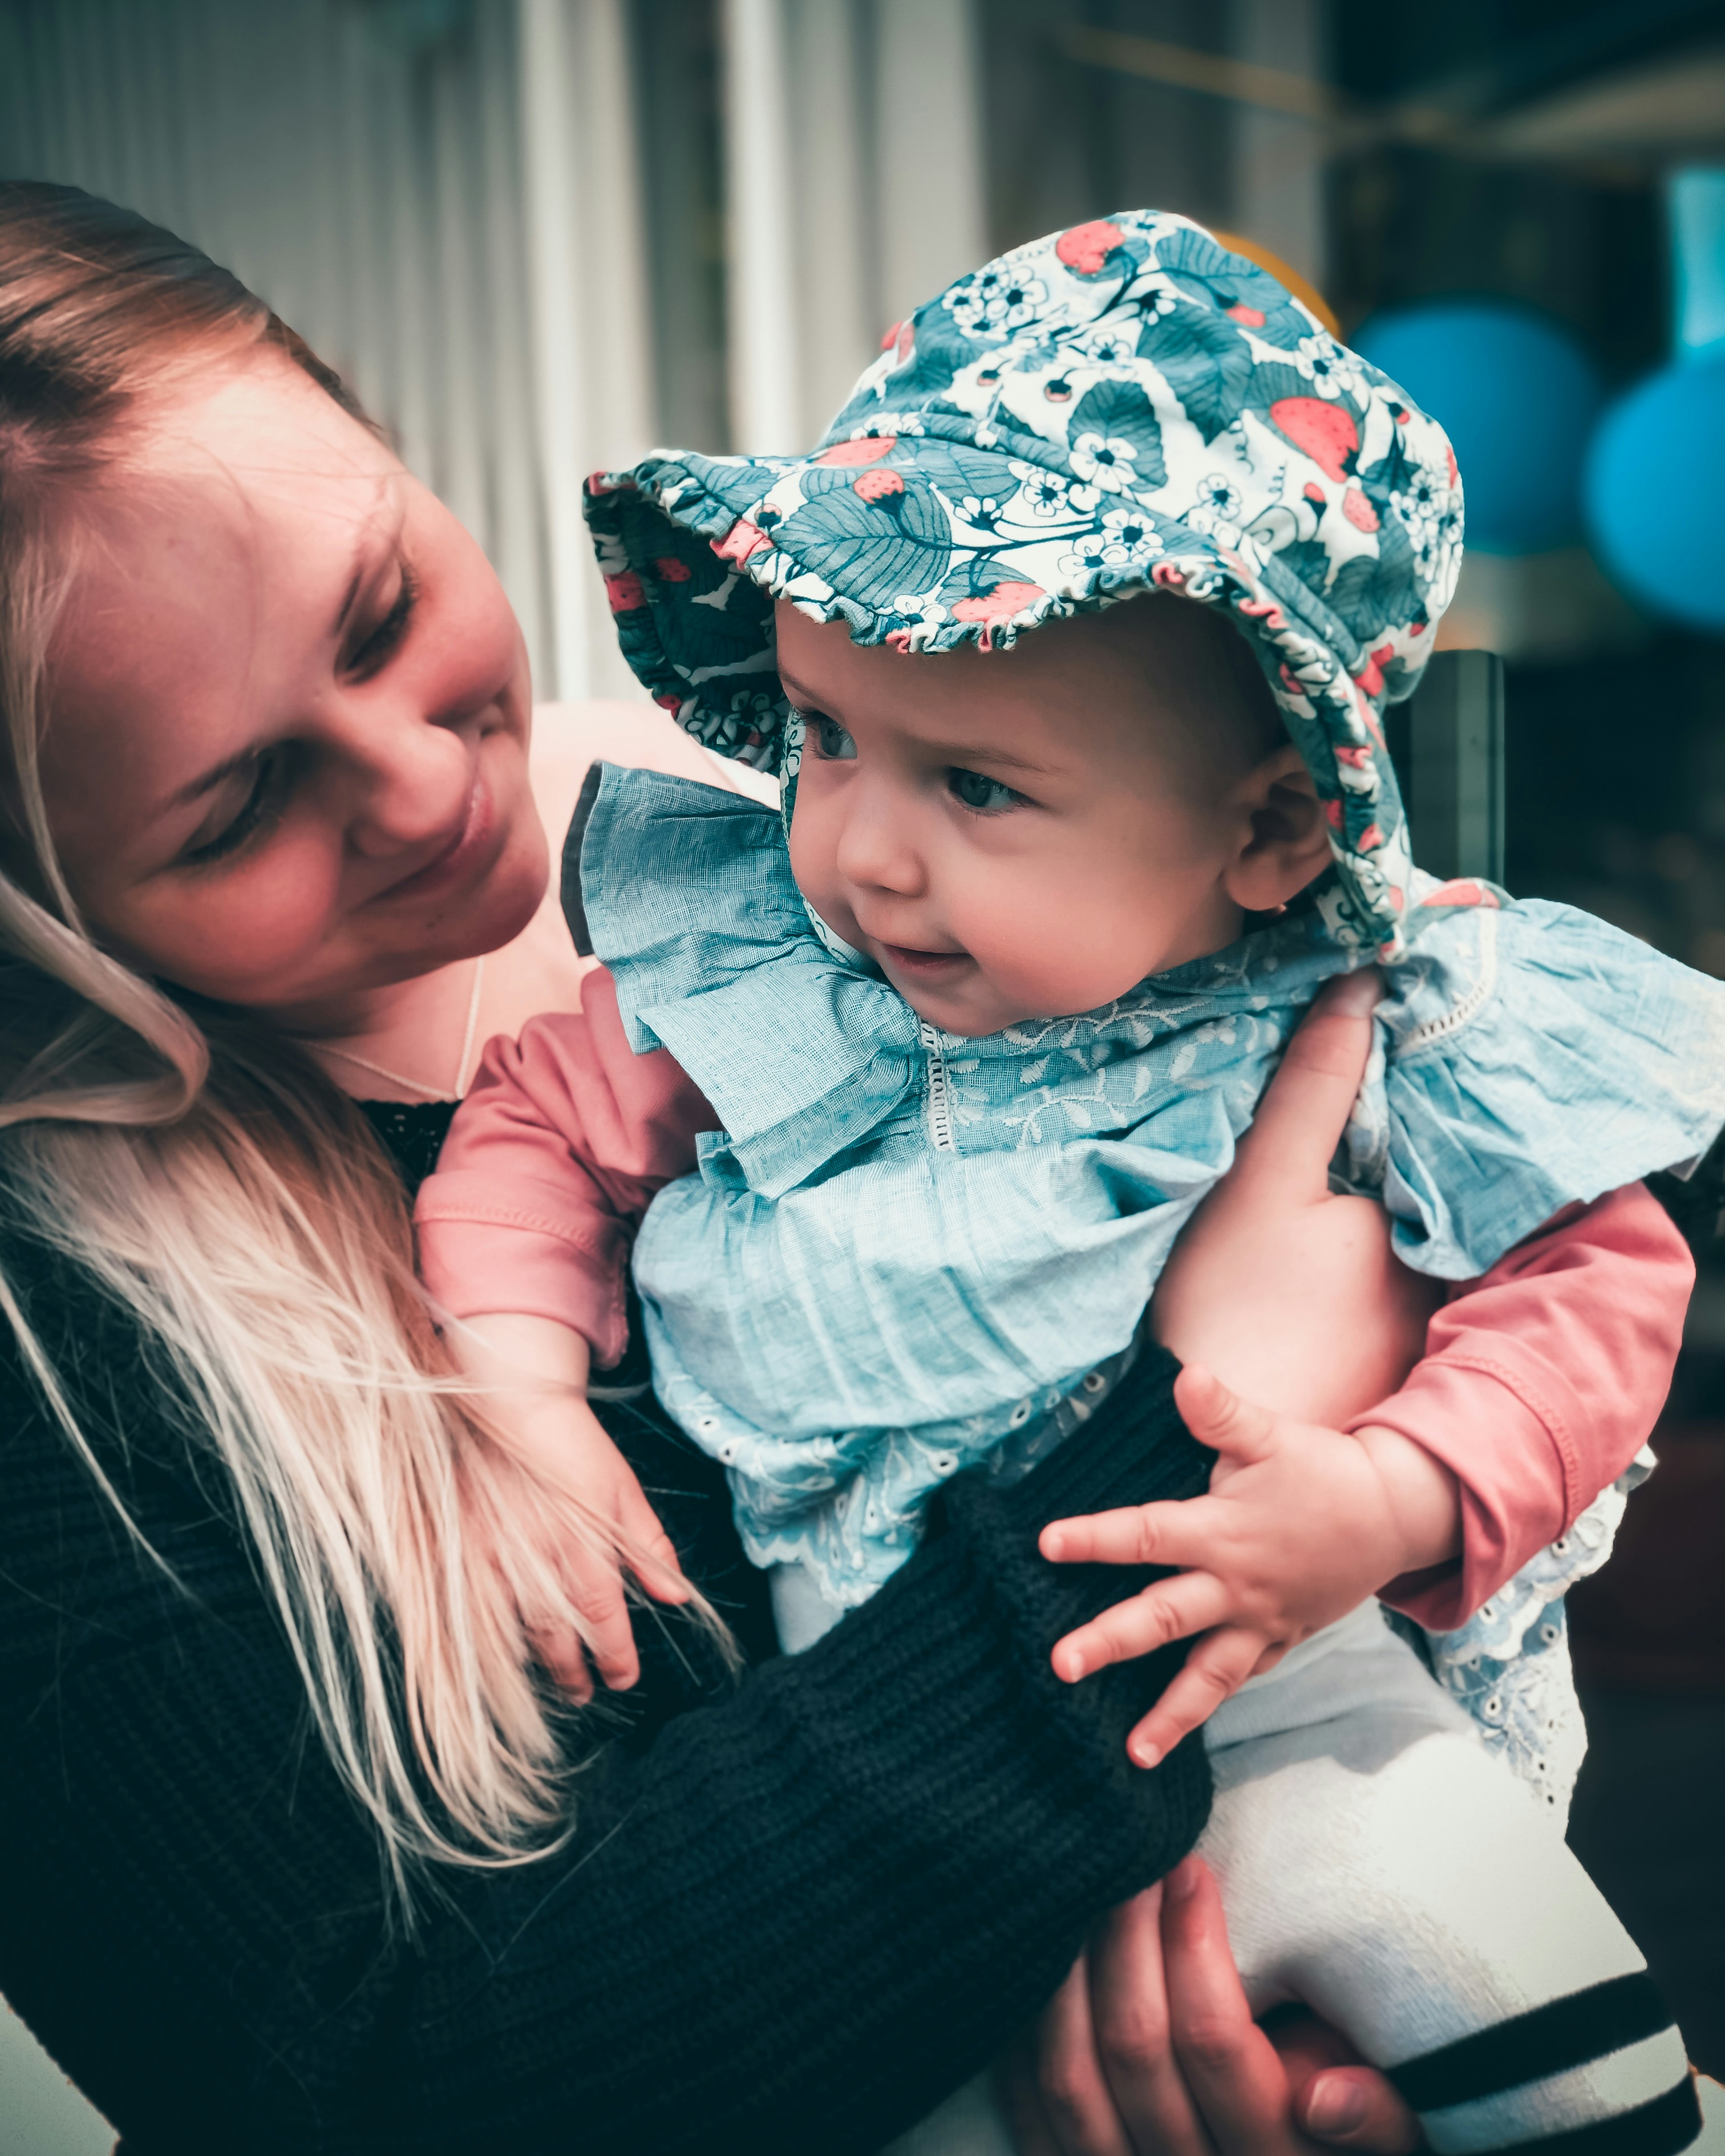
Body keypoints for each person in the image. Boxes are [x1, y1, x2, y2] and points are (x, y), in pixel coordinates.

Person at [0, 177, 1477, 2156]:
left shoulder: (789, 854)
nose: (432, 787)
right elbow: (386, 2090)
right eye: (239, 803)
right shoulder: (58, 1338)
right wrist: (1205, 1430)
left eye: (383, 611)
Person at [414, 210, 1711, 2154]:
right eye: (831, 739)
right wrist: (519, 1381)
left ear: (1272, 828)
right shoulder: (769, 978)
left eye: (981, 787)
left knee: (1484, 1947)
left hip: (1281, 1703)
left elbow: (1600, 1286)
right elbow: (529, 1119)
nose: (864, 855)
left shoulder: (1379, 1021)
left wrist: (1388, 1488)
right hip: (874, 1782)